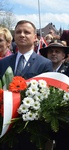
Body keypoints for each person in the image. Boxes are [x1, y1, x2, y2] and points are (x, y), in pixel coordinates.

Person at [0, 20, 53, 150]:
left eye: (27, 32)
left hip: (31, 127)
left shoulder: (44, 63)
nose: (22, 35)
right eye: (18, 32)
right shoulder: (3, 62)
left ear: (35, 38)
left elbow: (46, 95)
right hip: (7, 127)